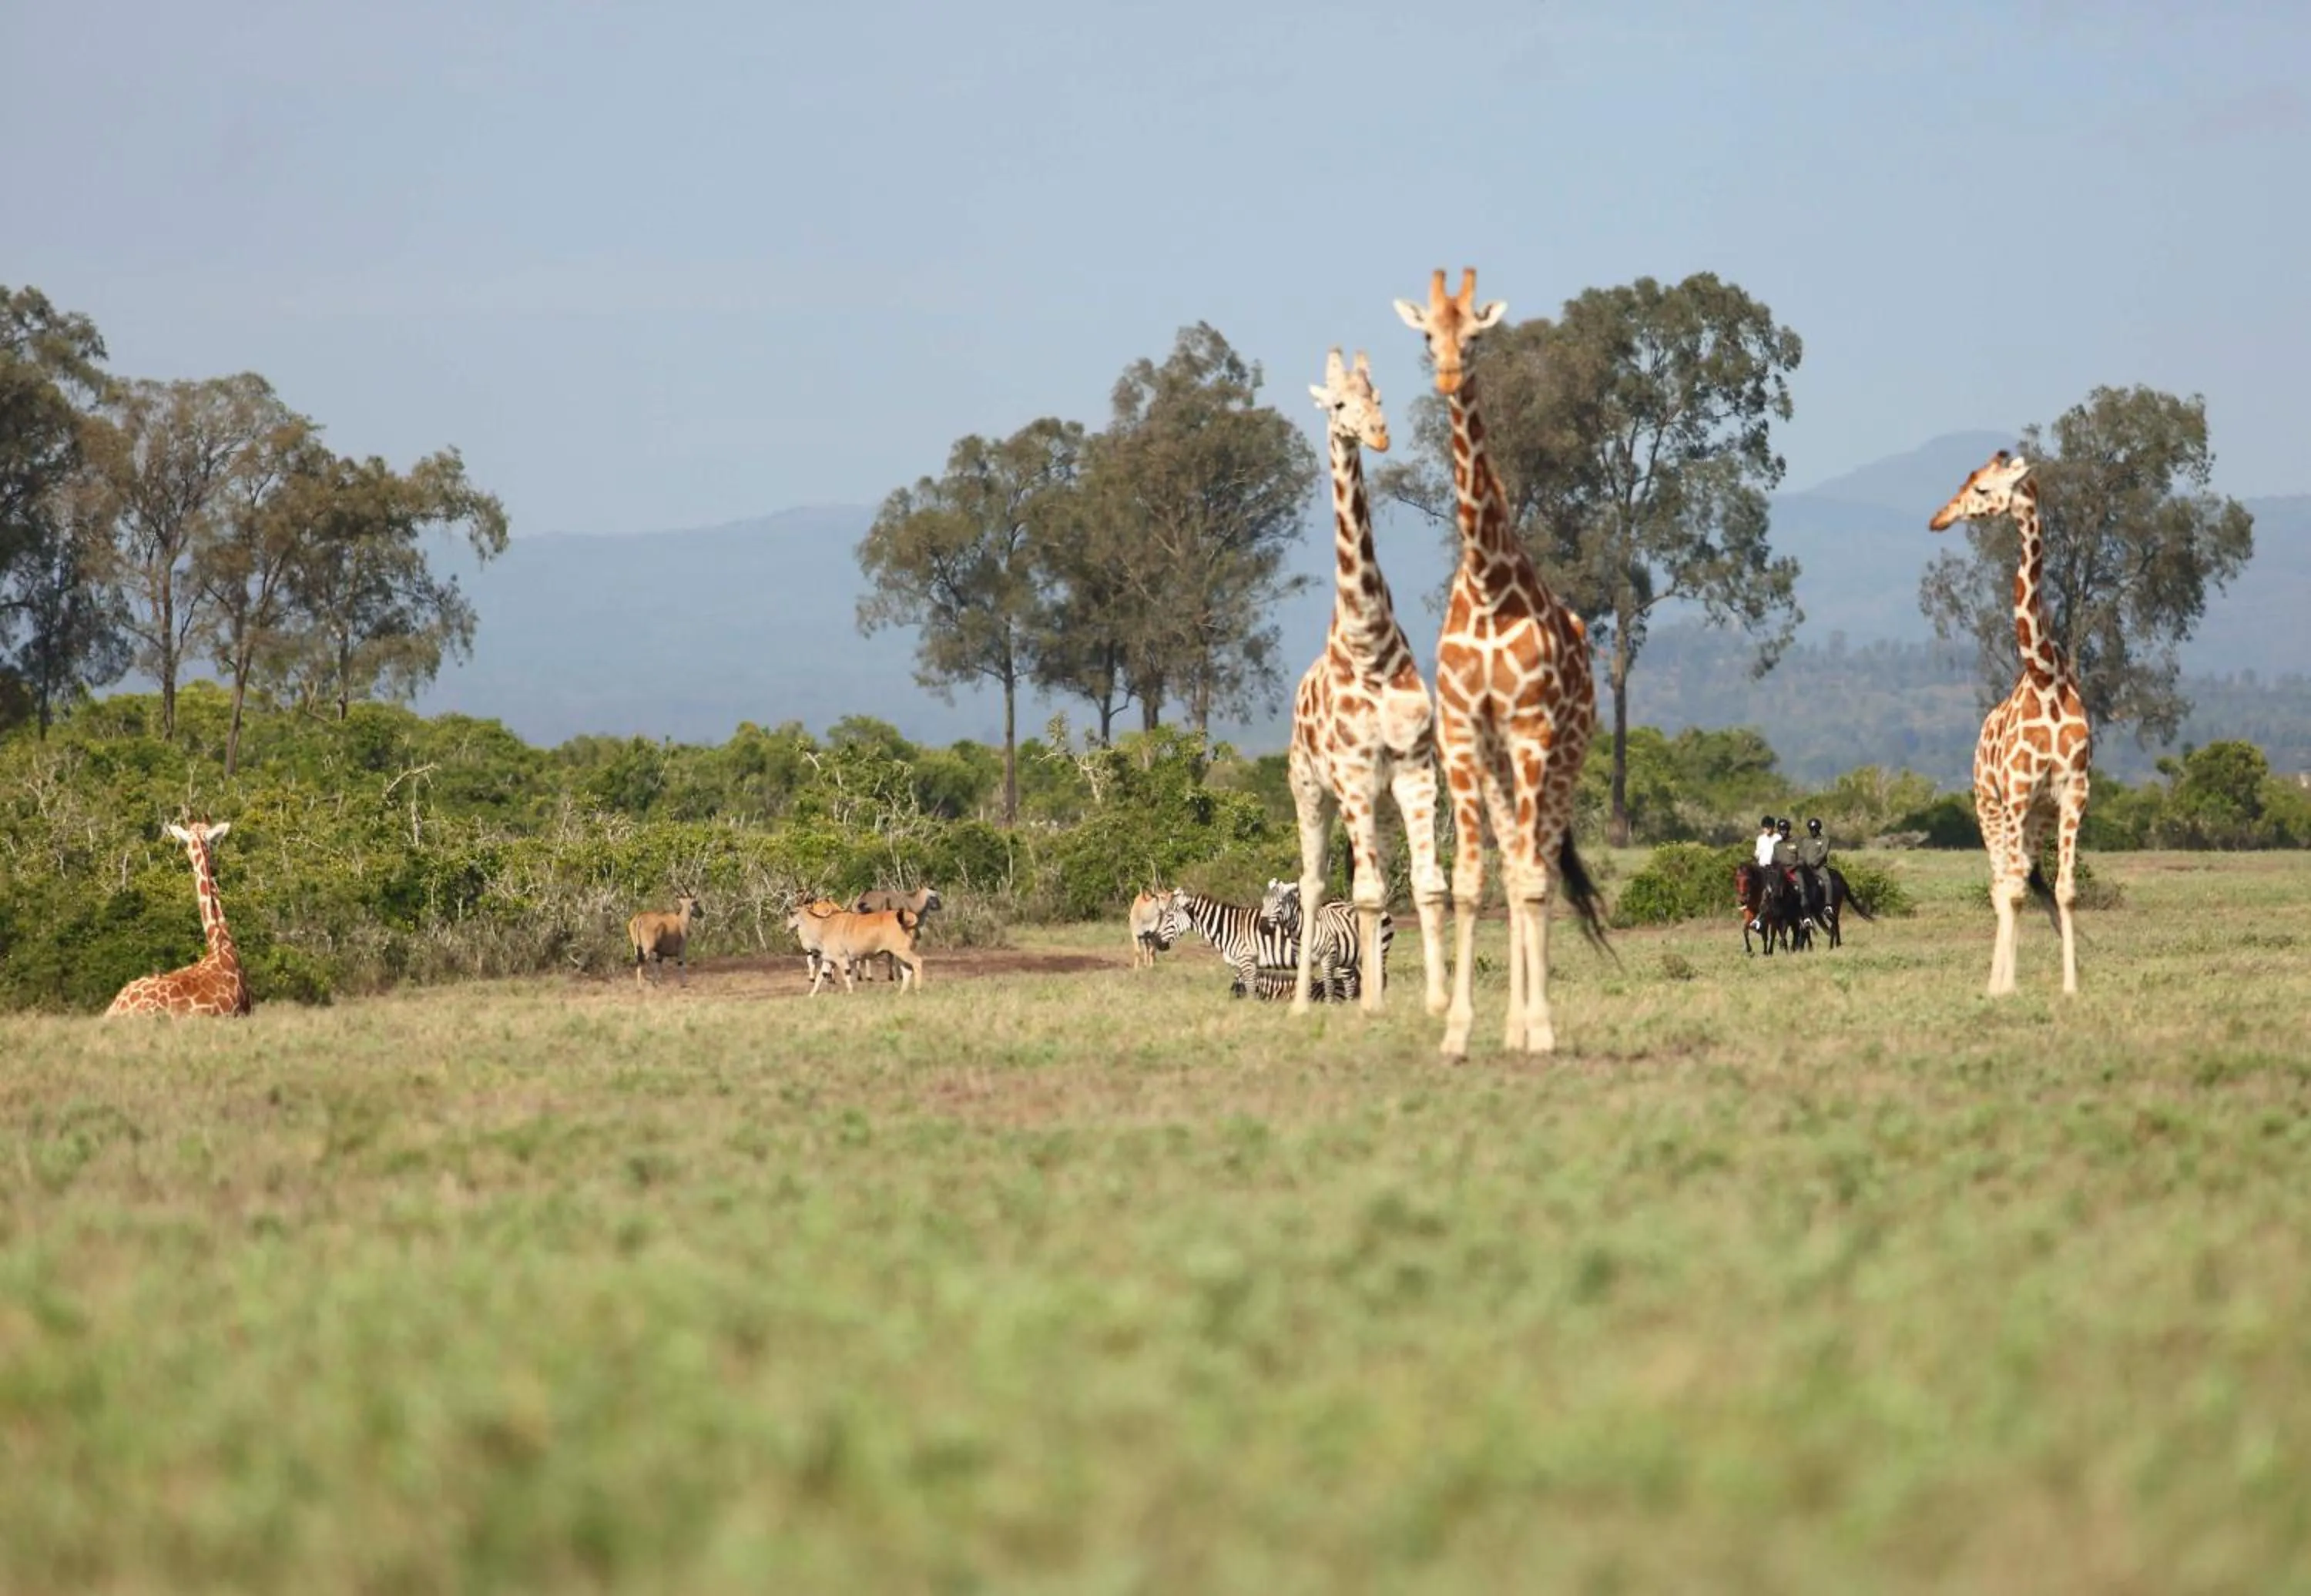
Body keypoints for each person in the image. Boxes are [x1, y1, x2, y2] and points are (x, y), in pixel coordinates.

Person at [1795, 817, 1832, 926]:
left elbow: (1824, 852)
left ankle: (1828, 905)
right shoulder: (1805, 840)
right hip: (1806, 868)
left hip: (1819, 867)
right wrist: (1801, 862)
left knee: (1827, 880)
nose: (1813, 831)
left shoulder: (1824, 839)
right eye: (1811, 829)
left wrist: (1815, 862)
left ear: (1819, 829)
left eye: (1815, 829)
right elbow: (1801, 853)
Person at [1748, 816, 1778, 933]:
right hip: (1761, 868)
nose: (1767, 829)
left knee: (1769, 890)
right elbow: (1758, 852)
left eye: (1769, 827)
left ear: (1773, 827)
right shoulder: (1760, 839)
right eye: (1765, 827)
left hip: (1773, 868)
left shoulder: (1778, 838)